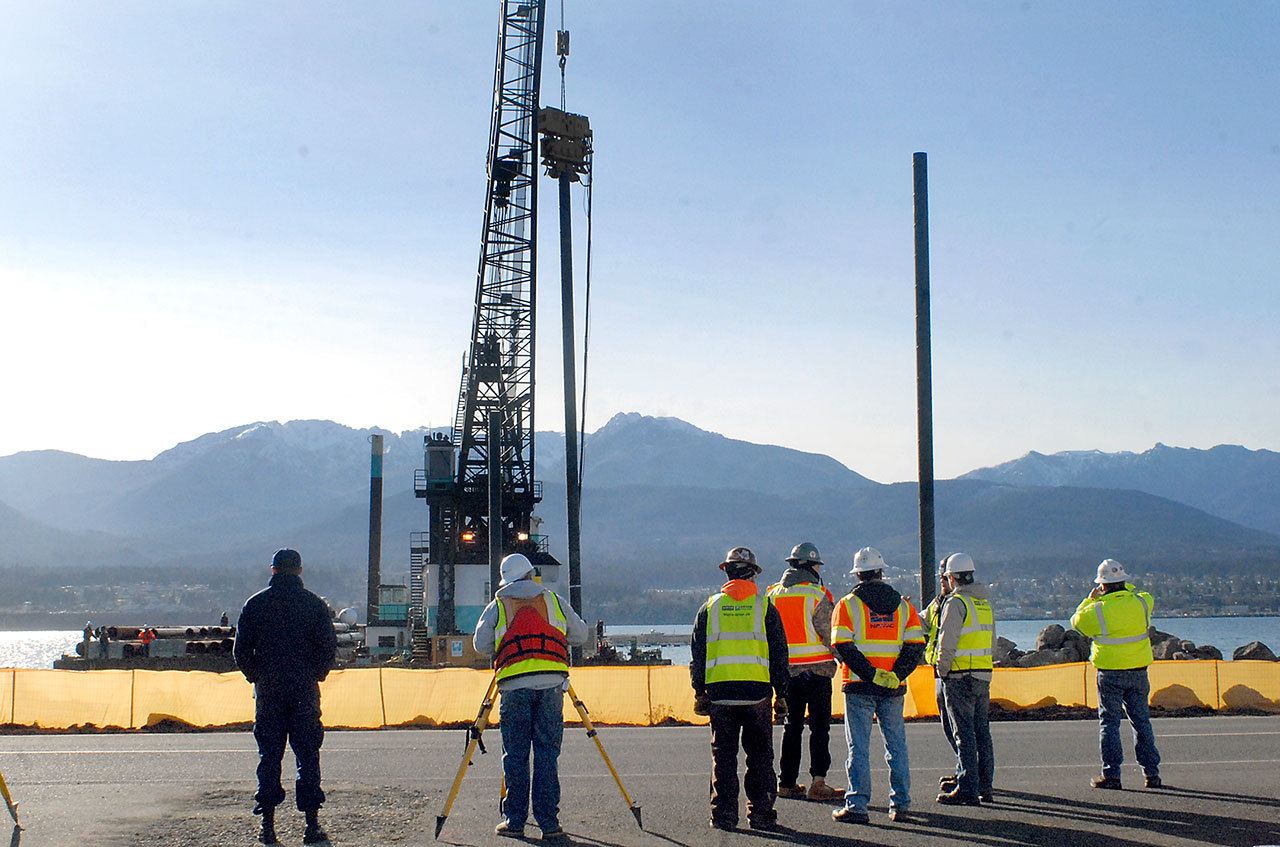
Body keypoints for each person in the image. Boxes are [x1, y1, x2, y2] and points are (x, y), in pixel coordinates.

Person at [474, 553, 589, 841]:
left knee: (515, 755)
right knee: (548, 754)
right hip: (552, 684)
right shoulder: (553, 600)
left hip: (514, 687)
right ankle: (549, 823)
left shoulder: (498, 605)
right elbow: (580, 634)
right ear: (530, 574)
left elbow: (481, 644)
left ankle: (514, 821)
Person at [233, 548, 338, 845]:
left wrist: (257, 676)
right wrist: (316, 674)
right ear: (300, 571)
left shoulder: (255, 604)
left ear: (273, 570)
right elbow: (328, 649)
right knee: (307, 754)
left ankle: (267, 825)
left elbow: (241, 652)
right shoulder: (314, 605)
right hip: (304, 690)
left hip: (269, 691)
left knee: (269, 755)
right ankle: (311, 825)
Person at [690, 546, 790, 832]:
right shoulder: (765, 607)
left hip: (720, 694)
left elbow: (698, 654)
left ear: (727, 573)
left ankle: (723, 816)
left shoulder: (709, 608)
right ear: (753, 576)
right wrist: (781, 693)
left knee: (723, 757)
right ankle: (760, 815)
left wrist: (699, 691)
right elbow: (779, 654)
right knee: (760, 758)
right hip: (757, 694)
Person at [830, 547, 925, 824]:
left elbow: (842, 645)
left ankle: (858, 805)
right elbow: (915, 646)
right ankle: (901, 805)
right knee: (896, 745)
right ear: (881, 571)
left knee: (858, 747)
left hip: (859, 685)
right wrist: (894, 674)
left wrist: (871, 673)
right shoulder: (904, 606)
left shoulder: (847, 605)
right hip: (893, 688)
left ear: (858, 573)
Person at [1070, 559, 1163, 790]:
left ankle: (1112, 775)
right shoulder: (1142, 602)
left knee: (1109, 723)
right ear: (1124, 581)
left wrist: (1089, 600)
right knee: (1141, 722)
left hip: (1110, 672)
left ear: (1102, 586)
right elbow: (1140, 593)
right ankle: (1152, 775)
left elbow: (1076, 623)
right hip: (1138, 671)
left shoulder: (1096, 609)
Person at [767, 542, 842, 801]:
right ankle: (818, 783)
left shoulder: (772, 595)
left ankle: (786, 783)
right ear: (811, 567)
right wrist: (846, 659)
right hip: (818, 672)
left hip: (787, 675)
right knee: (819, 728)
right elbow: (830, 633)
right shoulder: (816, 595)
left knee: (792, 727)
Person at [933, 553, 996, 805]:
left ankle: (968, 788)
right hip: (982, 675)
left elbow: (947, 642)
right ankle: (985, 785)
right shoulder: (984, 604)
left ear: (951, 576)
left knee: (964, 734)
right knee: (982, 732)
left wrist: (942, 669)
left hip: (959, 676)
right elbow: (992, 642)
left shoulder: (956, 603)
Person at [920, 564, 957, 781]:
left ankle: (970, 775)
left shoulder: (957, 603)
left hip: (953, 672)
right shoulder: (938, 603)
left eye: (946, 575)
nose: (942, 579)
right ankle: (965, 770)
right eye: (940, 575)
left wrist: (943, 668)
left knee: (961, 730)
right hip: (941, 672)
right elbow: (922, 622)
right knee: (950, 727)